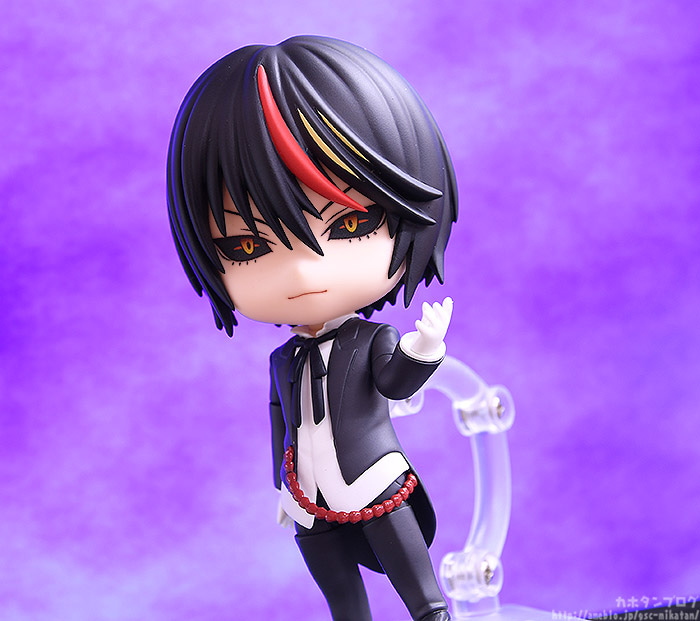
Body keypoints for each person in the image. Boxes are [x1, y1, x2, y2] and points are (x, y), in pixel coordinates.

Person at [167, 35, 458, 621]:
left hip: (372, 480)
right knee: (342, 602)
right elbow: (280, 423)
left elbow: (393, 385)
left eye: (350, 224)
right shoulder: (281, 360)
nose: (303, 272)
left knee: (423, 598)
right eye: (247, 246)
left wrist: (425, 350)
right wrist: (283, 483)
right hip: (307, 495)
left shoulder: (371, 339)